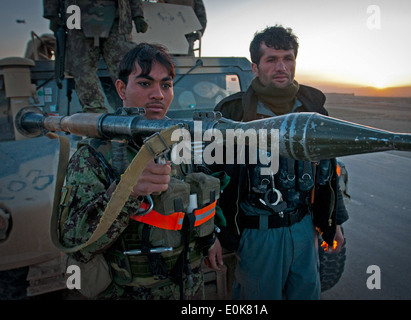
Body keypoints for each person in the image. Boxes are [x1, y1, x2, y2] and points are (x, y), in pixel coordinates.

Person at [59, 43, 223, 300]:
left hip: (188, 287)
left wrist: (210, 239)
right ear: (122, 89)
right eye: (146, 84)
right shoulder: (94, 155)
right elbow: (74, 242)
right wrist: (128, 191)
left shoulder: (179, 142)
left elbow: (192, 202)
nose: (158, 94)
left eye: (166, 85)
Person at [214, 25, 349, 300]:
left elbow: (327, 170)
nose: (282, 67)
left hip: (304, 228)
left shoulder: (313, 109)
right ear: (255, 67)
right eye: (271, 59)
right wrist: (210, 234)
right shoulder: (232, 113)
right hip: (256, 234)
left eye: (288, 58)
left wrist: (333, 221)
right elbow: (211, 176)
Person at [43, 0, 148, 113]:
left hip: (116, 17)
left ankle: (135, 107)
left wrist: (138, 14)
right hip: (76, 16)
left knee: (126, 66)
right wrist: (52, 13)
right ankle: (94, 109)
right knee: (82, 67)